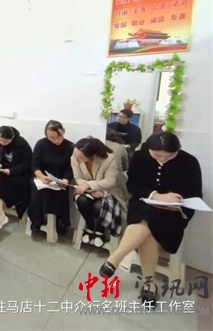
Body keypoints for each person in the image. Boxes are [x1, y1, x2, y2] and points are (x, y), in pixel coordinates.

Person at [99, 131, 203, 308]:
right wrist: (156, 196)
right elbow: (132, 185)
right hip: (143, 204)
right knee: (147, 219)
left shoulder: (190, 162)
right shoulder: (141, 156)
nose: (162, 159)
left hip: (172, 213)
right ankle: (149, 284)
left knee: (150, 225)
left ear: (177, 151)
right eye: (157, 155)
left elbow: (195, 195)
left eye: (169, 156)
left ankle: (114, 259)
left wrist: (176, 204)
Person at [72, 137, 128, 247]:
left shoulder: (109, 159)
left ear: (92, 156)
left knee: (99, 206)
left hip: (108, 192)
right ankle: (90, 226)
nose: (76, 159)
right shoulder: (75, 158)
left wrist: (89, 185)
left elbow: (110, 181)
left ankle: (99, 231)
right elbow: (78, 177)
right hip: (87, 191)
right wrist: (89, 190)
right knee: (81, 200)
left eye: (80, 157)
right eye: (75, 155)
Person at [28, 120, 74, 234]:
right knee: (39, 191)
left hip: (60, 180)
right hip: (42, 178)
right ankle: (36, 220)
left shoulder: (70, 146)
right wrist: (42, 177)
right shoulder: (41, 144)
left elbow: (70, 168)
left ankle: (60, 222)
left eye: (58, 137)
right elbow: (34, 165)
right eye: (51, 138)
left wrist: (65, 179)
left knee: (60, 193)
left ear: (63, 132)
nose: (55, 140)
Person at [0, 126, 33, 232]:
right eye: (0, 141)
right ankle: (0, 214)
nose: (2, 143)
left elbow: (26, 164)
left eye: (5, 141)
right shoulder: (0, 143)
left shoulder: (22, 144)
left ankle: (0, 215)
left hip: (20, 175)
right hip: (5, 172)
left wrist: (11, 170)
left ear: (12, 138)